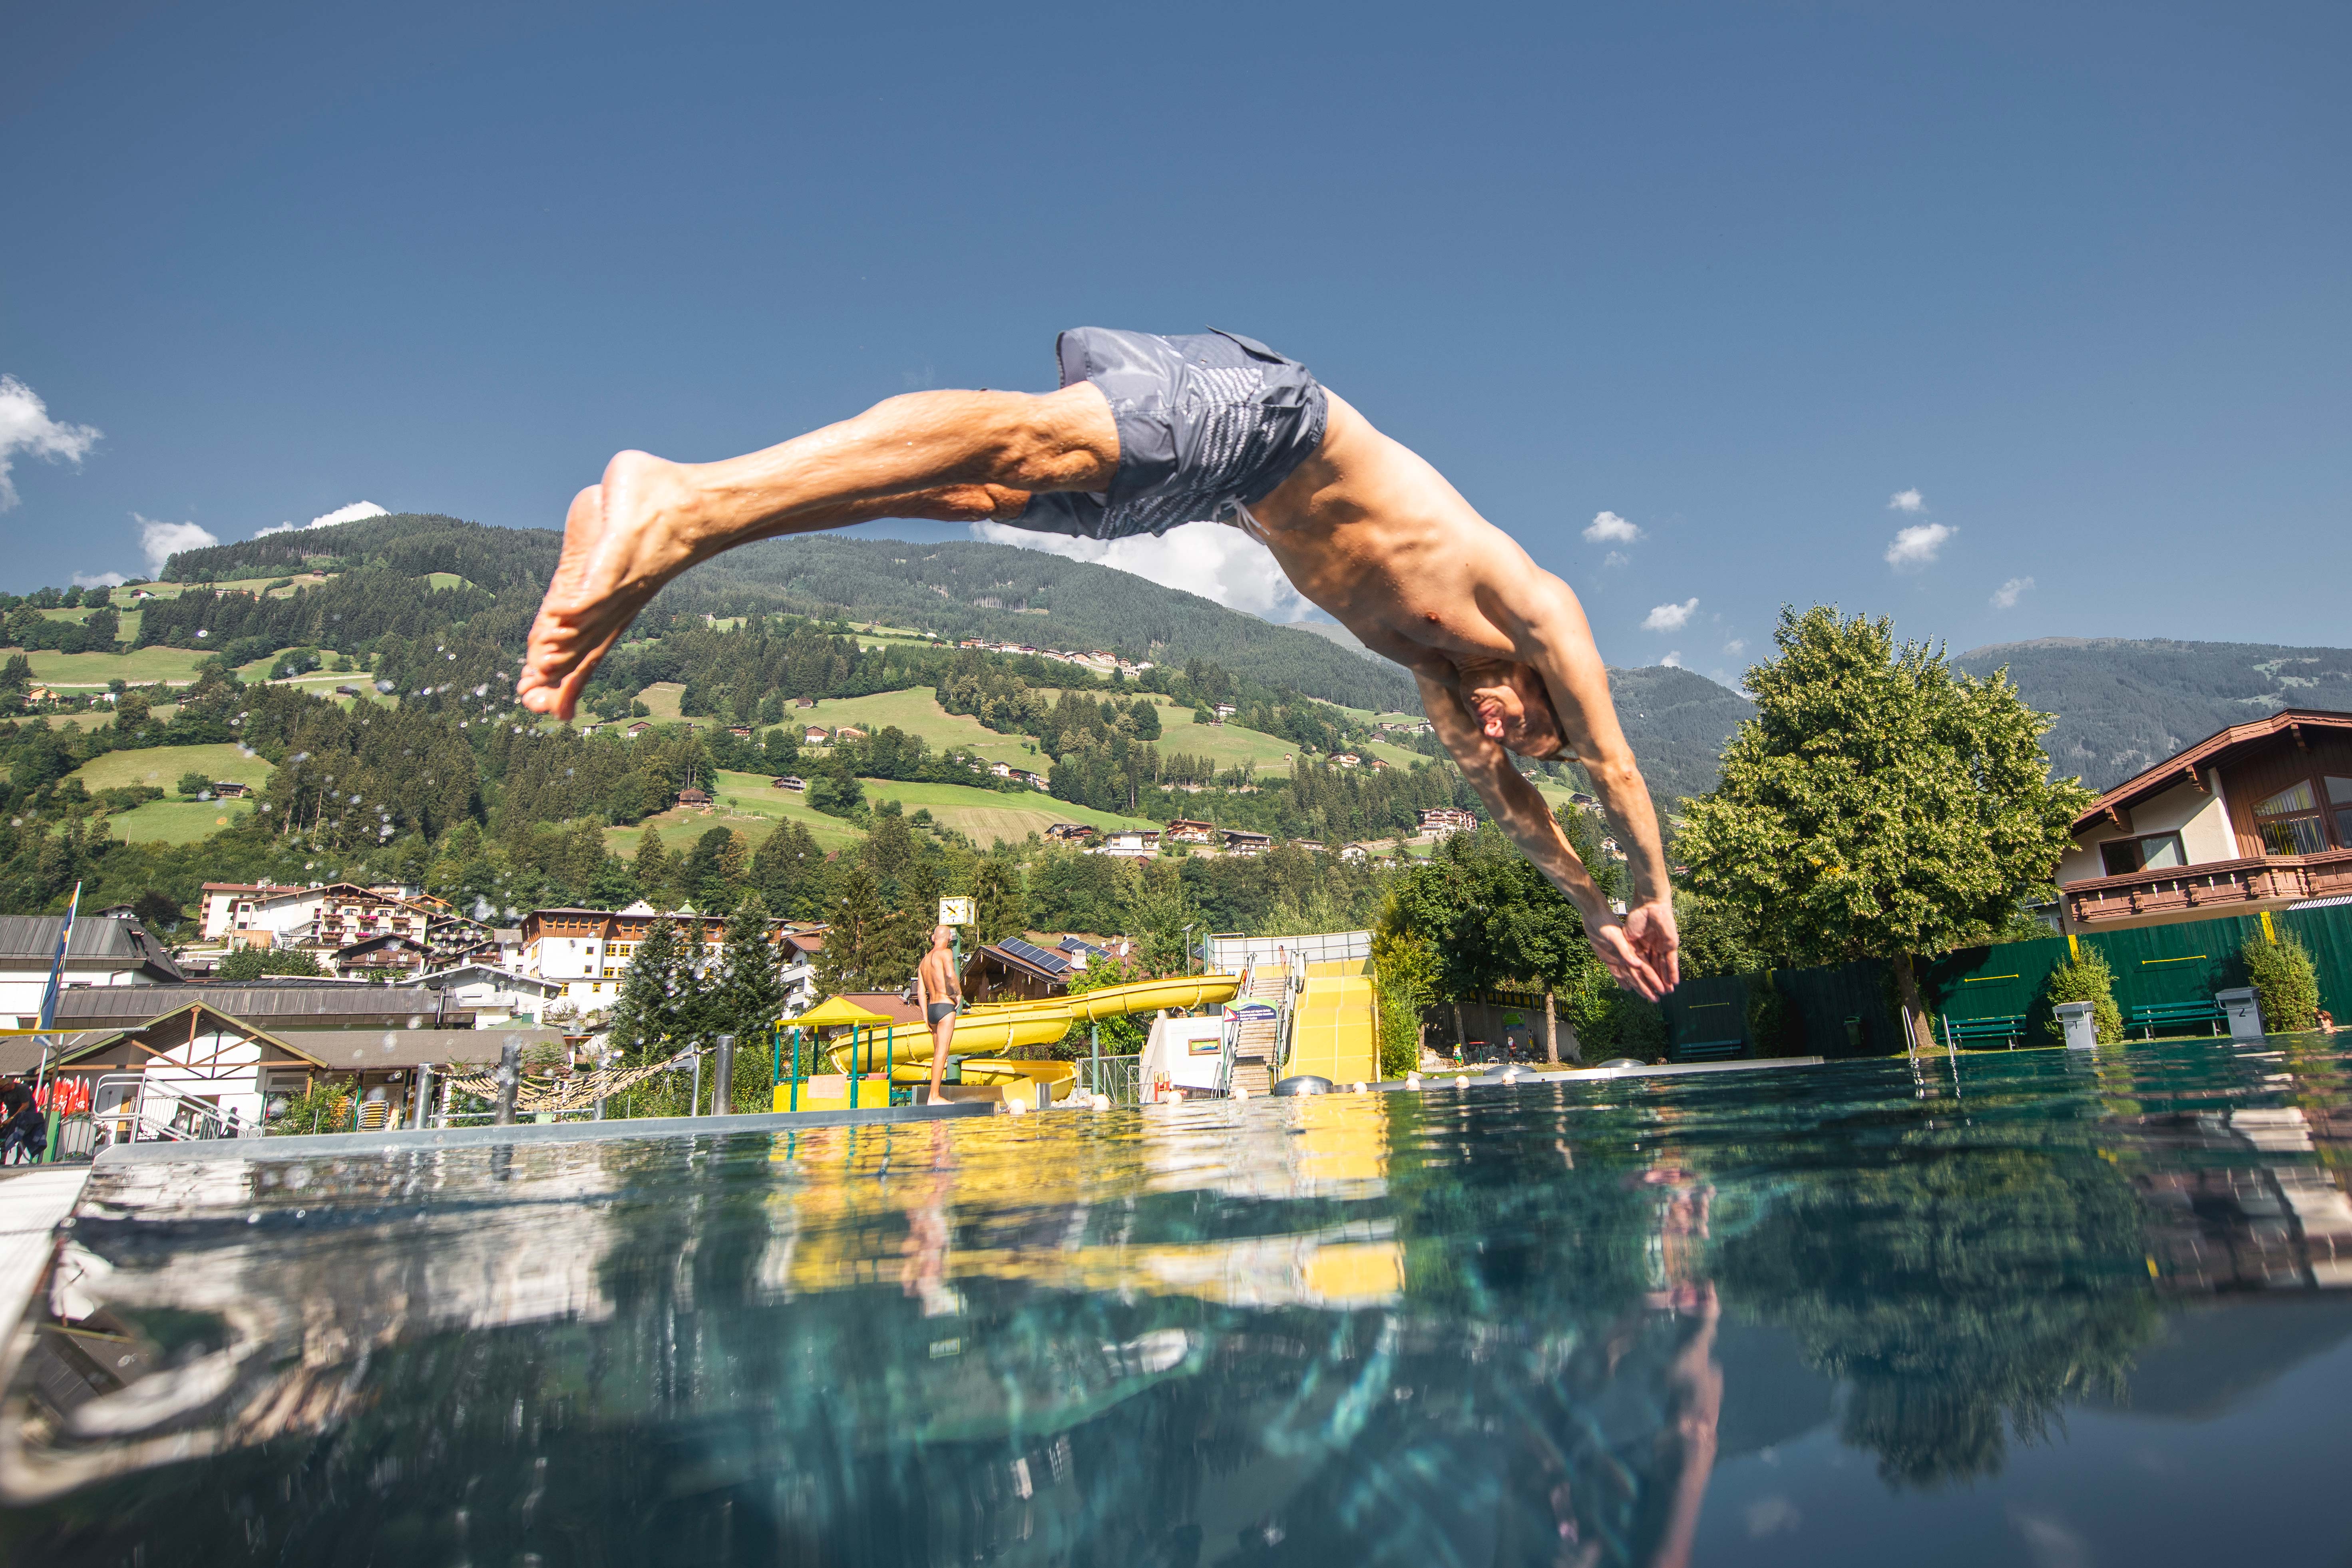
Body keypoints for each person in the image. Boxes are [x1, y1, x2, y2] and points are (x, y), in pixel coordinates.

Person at [517, 327, 1679, 998]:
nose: (1497, 718)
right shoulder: (1535, 605)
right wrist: (1654, 892)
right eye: (1523, 712)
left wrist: (1590, 911)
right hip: (1279, 422)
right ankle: (679, 501)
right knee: (1027, 435)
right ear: (1545, 679)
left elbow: (1528, 816)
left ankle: (680, 534)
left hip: (1225, 496)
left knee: (975, 489)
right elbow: (1615, 772)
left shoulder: (1438, 689)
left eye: (1512, 737)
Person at [914, 923, 962, 1101]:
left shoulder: (924, 961)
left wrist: (925, 1016)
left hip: (932, 1009)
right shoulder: (946, 953)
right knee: (943, 1053)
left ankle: (934, 1095)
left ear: (933, 938)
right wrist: (958, 994)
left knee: (937, 1055)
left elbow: (920, 992)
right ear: (949, 938)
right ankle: (934, 1097)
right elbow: (950, 975)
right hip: (945, 1006)